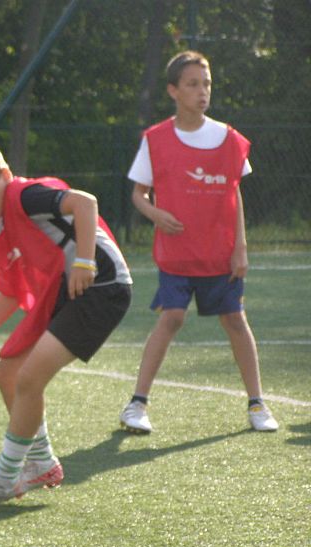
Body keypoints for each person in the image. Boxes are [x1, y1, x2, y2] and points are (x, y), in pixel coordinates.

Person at [0, 137, 132, 513]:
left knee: (29, 378)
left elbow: (85, 203)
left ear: (4, 174)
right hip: (74, 292)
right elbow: (12, 292)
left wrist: (84, 262)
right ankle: (42, 462)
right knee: (8, 373)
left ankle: (4, 476)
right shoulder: (5, 225)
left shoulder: (26, 196)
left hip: (102, 287)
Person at [119, 50, 278, 435]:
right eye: (192, 84)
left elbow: (234, 192)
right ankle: (137, 404)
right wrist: (155, 213)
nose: (202, 91)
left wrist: (240, 247)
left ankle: (257, 404)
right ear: (173, 91)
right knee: (172, 318)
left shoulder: (229, 139)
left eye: (206, 83)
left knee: (235, 321)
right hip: (177, 256)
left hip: (220, 255)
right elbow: (138, 194)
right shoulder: (156, 139)